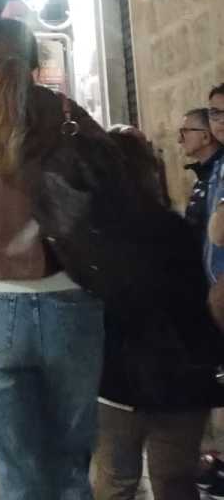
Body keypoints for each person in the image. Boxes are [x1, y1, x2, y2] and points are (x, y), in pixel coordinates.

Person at [0, 17, 105, 500]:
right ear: (35, 60)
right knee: (72, 468)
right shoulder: (67, 112)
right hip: (68, 294)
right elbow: (107, 186)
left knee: (17, 472)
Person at [92, 126, 224, 500]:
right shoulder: (174, 229)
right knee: (175, 483)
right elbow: (196, 304)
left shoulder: (91, 235)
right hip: (180, 378)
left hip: (115, 379)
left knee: (115, 482)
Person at [182, 102, 224, 250]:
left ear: (205, 136)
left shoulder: (219, 177)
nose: (179, 140)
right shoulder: (202, 176)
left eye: (184, 132)